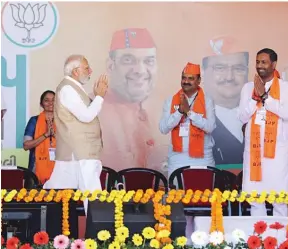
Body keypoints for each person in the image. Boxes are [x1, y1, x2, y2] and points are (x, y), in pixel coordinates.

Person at [159, 62, 216, 239]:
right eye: (184, 78)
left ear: (199, 80)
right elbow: (163, 128)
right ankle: (183, 240)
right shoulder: (171, 100)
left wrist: (190, 113)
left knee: (201, 203)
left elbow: (210, 126)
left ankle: (199, 240)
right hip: (178, 159)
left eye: (191, 78)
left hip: (202, 159)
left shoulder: (207, 101)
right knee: (179, 206)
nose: (186, 81)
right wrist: (179, 113)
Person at [44, 55, 108, 210]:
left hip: (75, 151)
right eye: (86, 67)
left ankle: (51, 230)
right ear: (75, 71)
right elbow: (86, 116)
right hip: (81, 152)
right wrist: (99, 96)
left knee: (58, 192)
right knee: (92, 197)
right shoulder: (67, 88)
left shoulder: (73, 88)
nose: (90, 70)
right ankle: (99, 234)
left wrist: (95, 98)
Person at [238, 48, 288, 217]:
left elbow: (286, 113)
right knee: (256, 199)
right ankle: (260, 240)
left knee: (279, 200)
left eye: (264, 62)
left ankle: (280, 240)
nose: (259, 66)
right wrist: (255, 99)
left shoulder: (286, 87)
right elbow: (242, 117)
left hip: (277, 152)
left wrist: (265, 97)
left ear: (274, 64)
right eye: (257, 62)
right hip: (254, 152)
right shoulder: (248, 88)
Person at [99, 28, 158, 172]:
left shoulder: (161, 108)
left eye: (149, 61)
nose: (140, 70)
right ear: (110, 66)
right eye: (128, 60)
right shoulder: (93, 109)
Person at [202, 48, 249, 165]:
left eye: (238, 69)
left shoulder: (260, 116)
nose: (229, 77)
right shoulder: (192, 118)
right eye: (219, 68)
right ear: (202, 74)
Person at [23, 90, 56, 184]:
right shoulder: (34, 121)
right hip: (35, 171)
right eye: (47, 100)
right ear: (41, 104)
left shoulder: (63, 122)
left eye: (53, 100)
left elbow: (69, 146)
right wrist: (45, 135)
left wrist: (55, 135)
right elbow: (26, 145)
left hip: (59, 170)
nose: (50, 103)